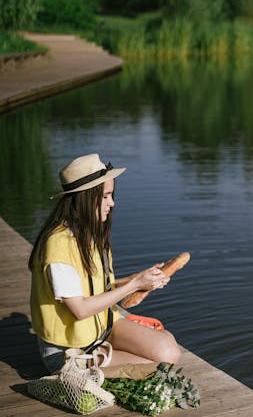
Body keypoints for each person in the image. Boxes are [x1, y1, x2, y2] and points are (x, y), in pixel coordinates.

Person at [29, 153, 181, 374]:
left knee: (168, 347)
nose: (112, 203)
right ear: (86, 197)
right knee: (163, 362)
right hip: (70, 350)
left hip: (101, 329)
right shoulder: (59, 244)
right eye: (106, 196)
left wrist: (137, 281)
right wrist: (134, 284)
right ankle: (87, 363)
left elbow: (94, 287)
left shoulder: (89, 234)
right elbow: (79, 309)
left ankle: (107, 353)